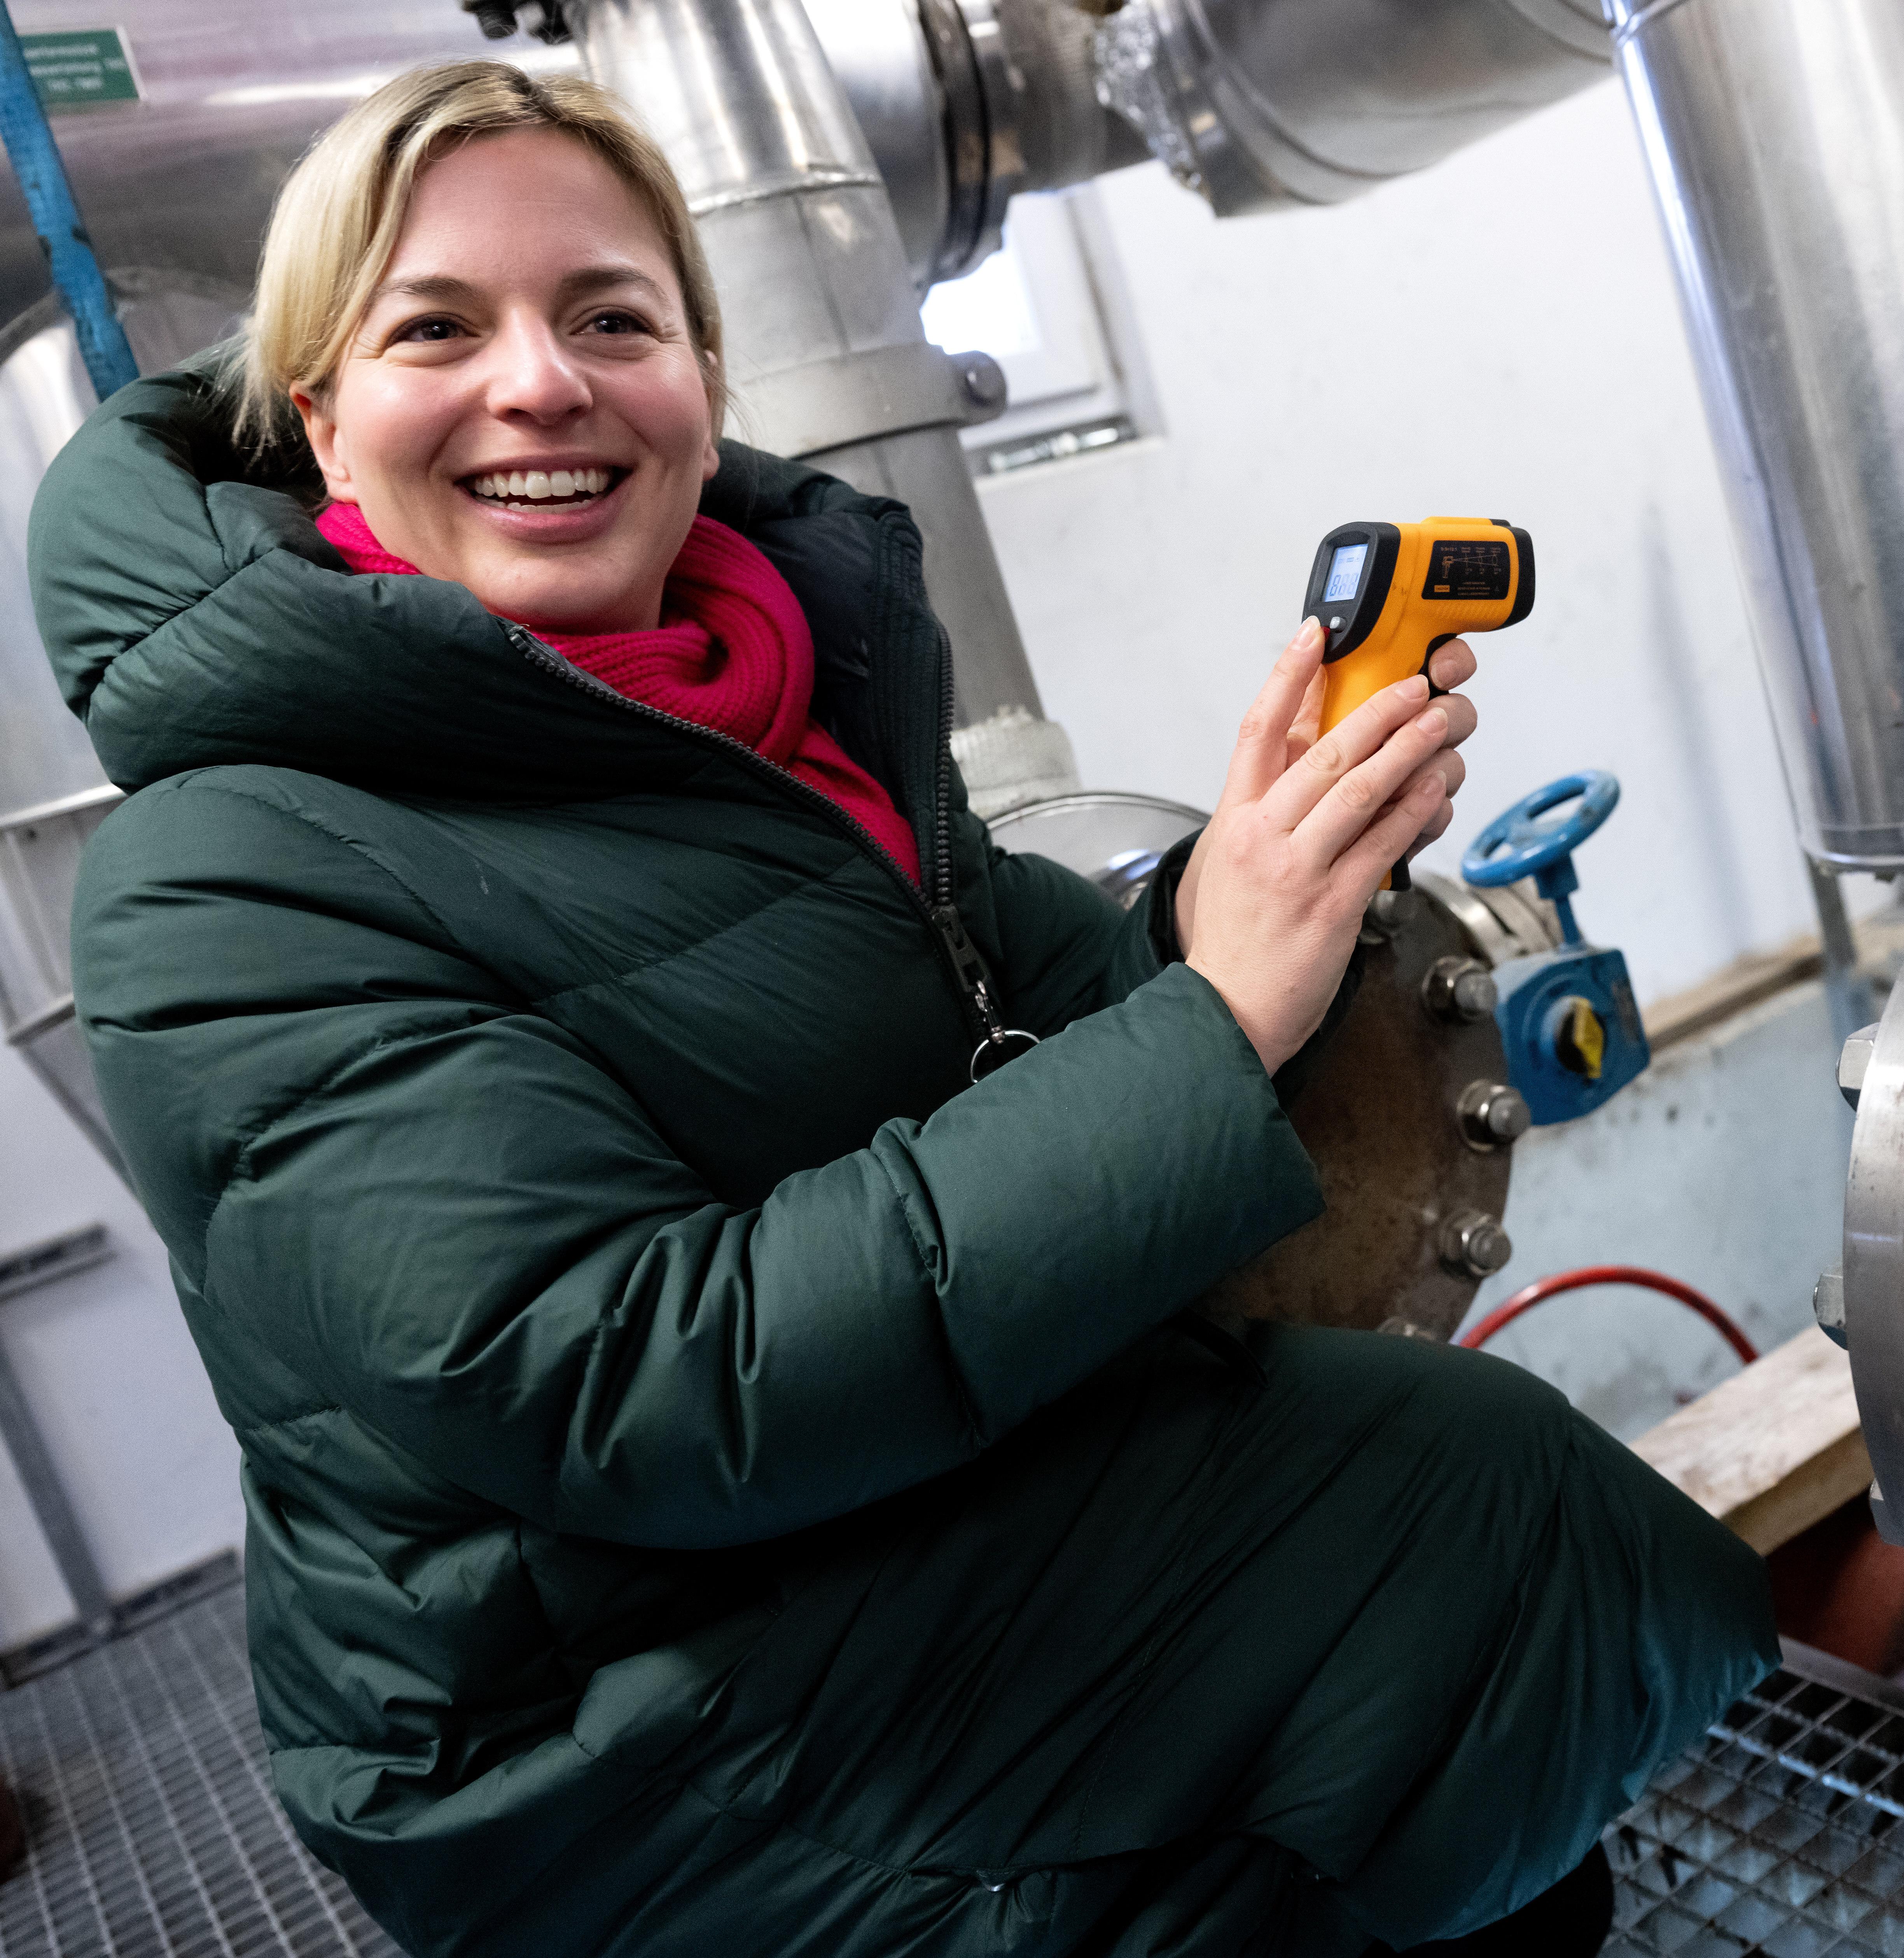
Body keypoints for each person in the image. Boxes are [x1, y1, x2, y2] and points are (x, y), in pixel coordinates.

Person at [35, 59, 1773, 1958]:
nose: (542, 381)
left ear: (699, 383)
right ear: (323, 420)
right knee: (1474, 1540)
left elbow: (1038, 1016)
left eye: (613, 316)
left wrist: (1258, 893)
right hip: (584, 1723)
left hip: (845, 1529)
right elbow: (628, 1378)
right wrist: (1216, 1027)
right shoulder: (223, 875)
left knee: (1471, 1633)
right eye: (437, 328)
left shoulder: (765, 706)